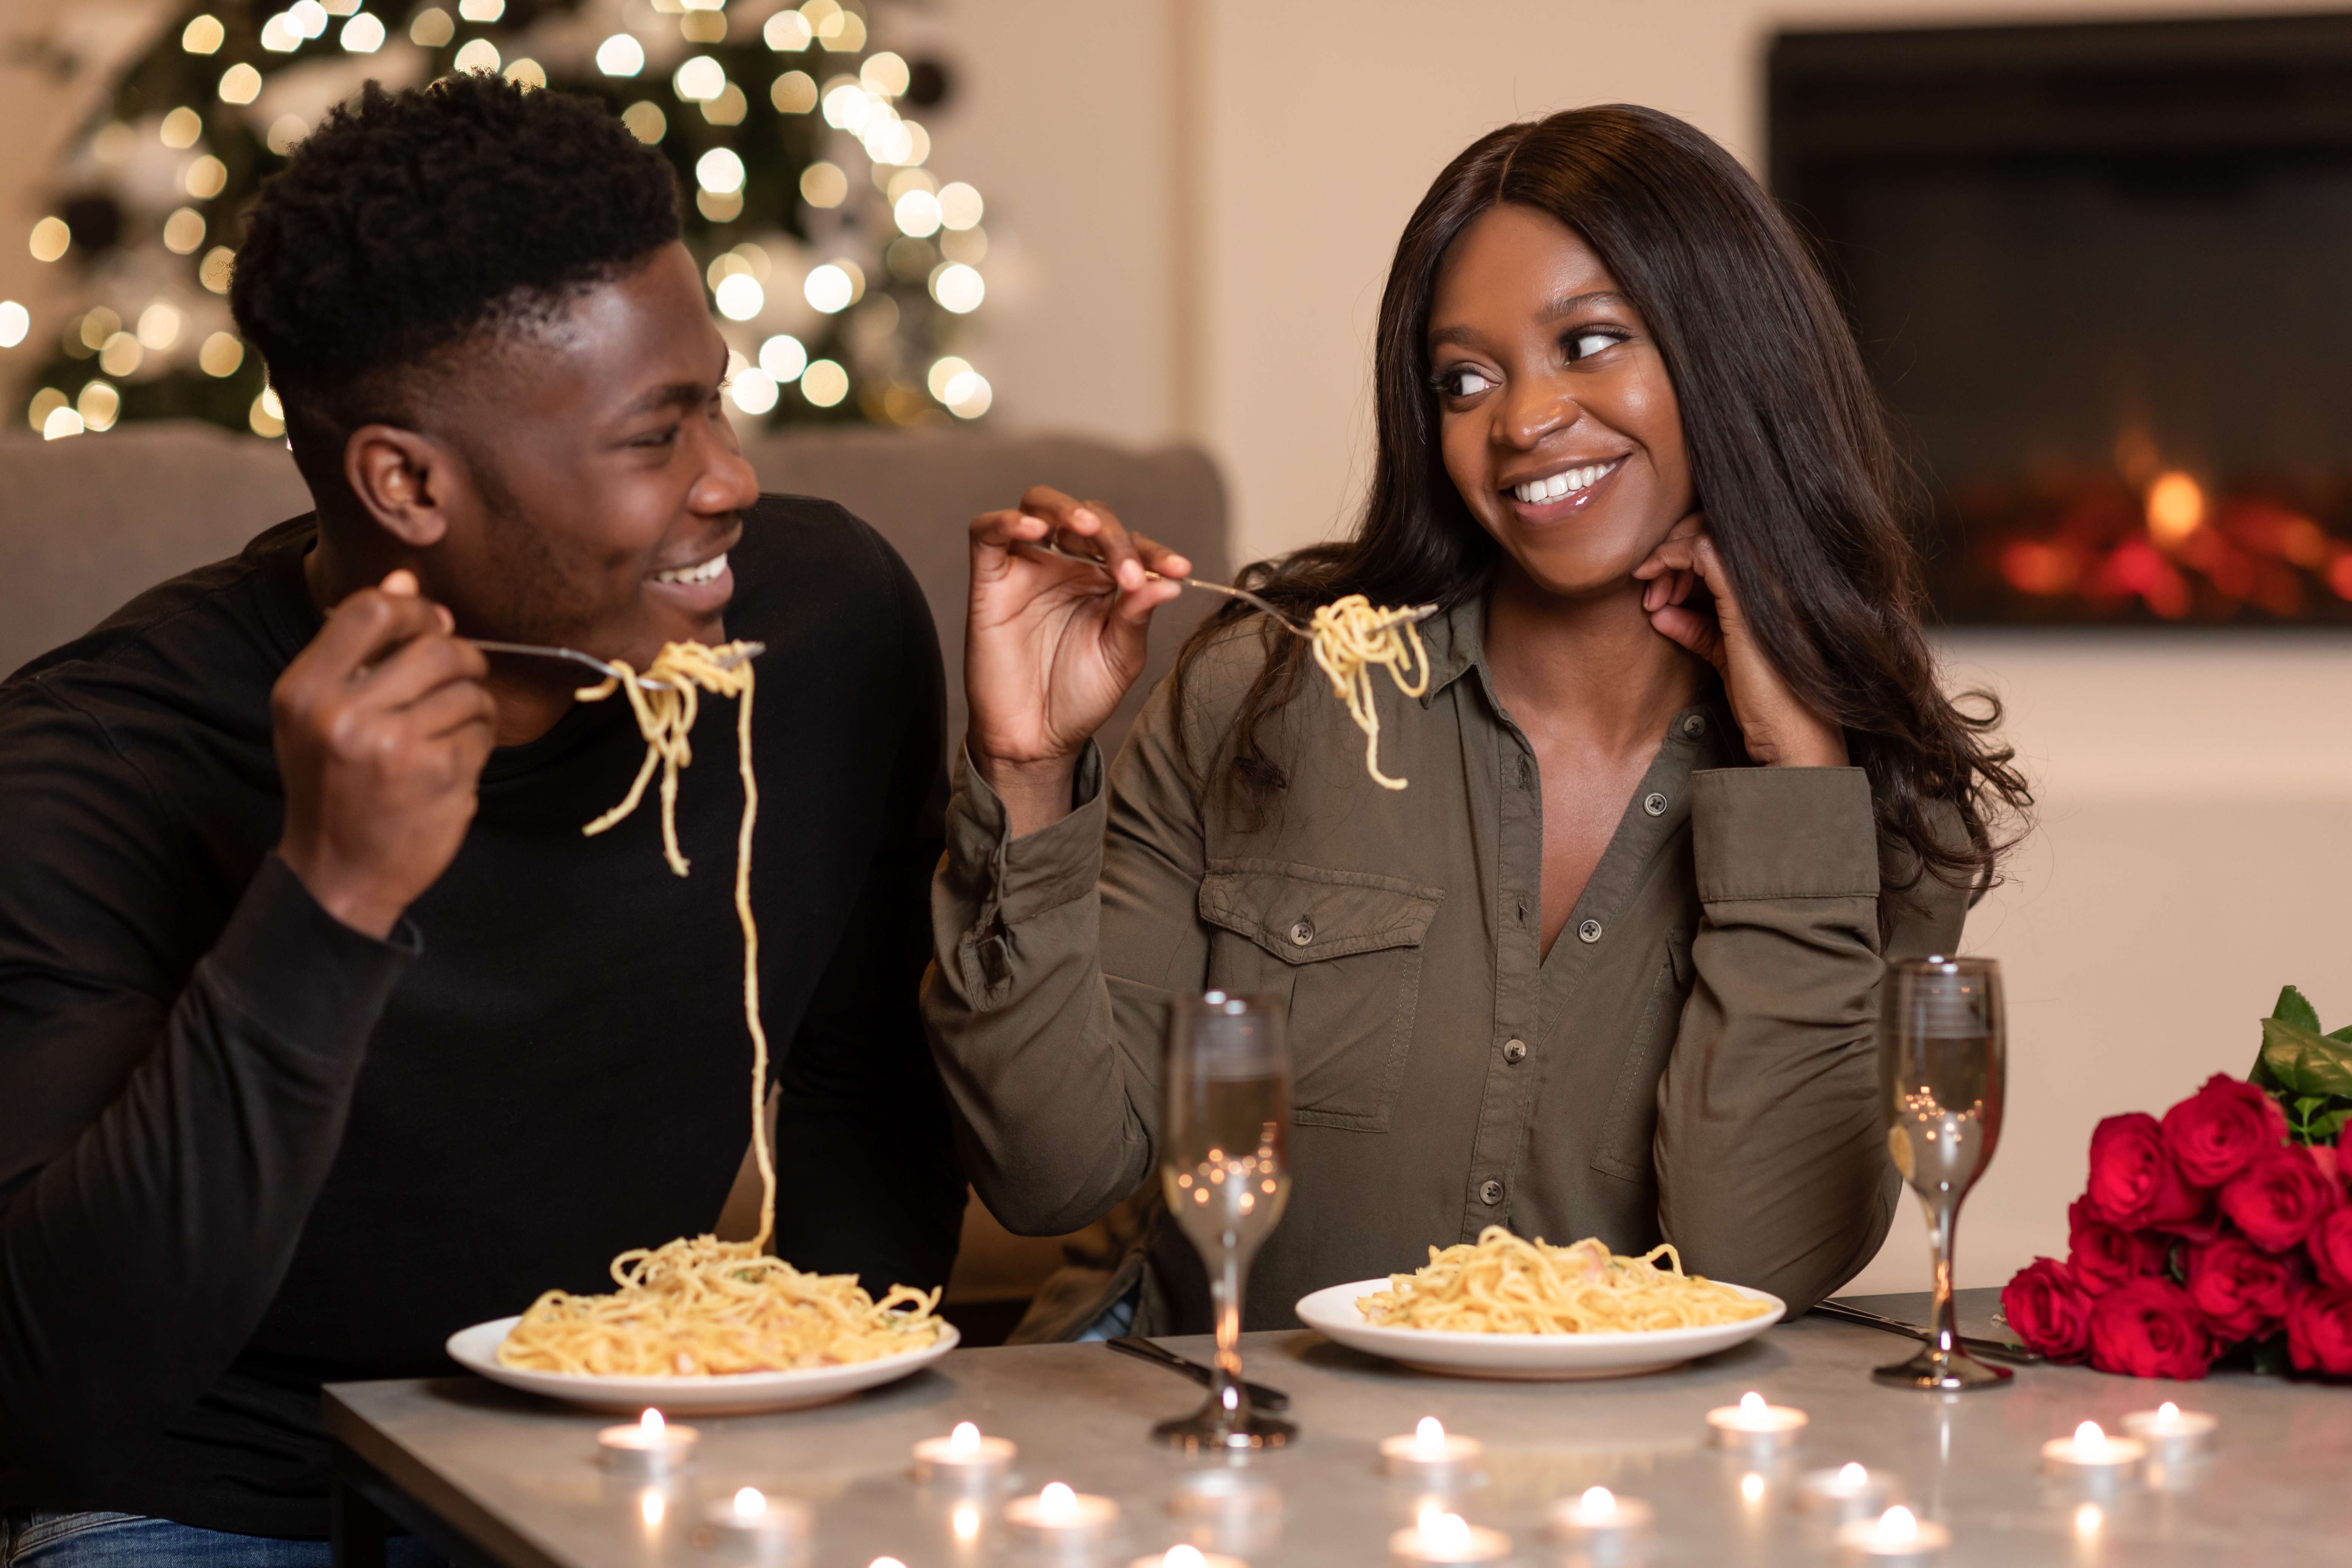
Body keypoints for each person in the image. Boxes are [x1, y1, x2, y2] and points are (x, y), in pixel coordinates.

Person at [0, 77, 962, 1556]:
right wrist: (327, 898)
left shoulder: (817, 624)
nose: (731, 480)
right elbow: (59, 1385)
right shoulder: (88, 765)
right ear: (405, 483)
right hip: (215, 1501)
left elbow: (854, 1088)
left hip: (605, 1451)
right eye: (657, 436)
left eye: (715, 397)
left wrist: (822, 1421)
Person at [927, 105, 2031, 1341]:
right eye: (1467, 377)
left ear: (1730, 355)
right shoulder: (1268, 696)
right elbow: (1049, 1179)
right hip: (1241, 1457)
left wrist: (1794, 774)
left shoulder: (1874, 798)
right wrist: (1028, 775)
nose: (1520, 422)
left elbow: (1754, 1263)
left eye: (1590, 341)